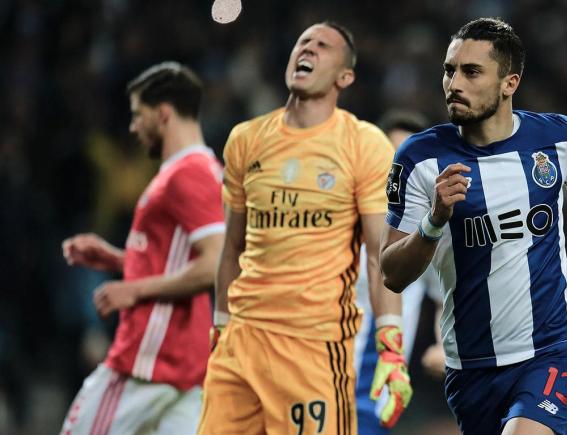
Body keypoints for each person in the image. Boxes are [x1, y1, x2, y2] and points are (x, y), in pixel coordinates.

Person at [379, 18, 567, 435]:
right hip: (471, 368)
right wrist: (433, 221)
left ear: (509, 83)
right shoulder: (419, 158)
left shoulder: (556, 137)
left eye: (471, 72)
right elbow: (392, 274)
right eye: (449, 70)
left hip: (555, 347)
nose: (454, 83)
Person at [198, 22, 412, 435]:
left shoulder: (363, 144)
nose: (308, 49)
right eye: (303, 42)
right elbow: (232, 248)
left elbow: (378, 256)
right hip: (240, 344)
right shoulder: (245, 139)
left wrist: (391, 345)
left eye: (323, 46)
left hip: (313, 348)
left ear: (344, 77)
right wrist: (221, 325)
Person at [60, 62, 225, 435]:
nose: (133, 127)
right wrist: (121, 259)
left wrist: (133, 289)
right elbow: (183, 259)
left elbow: (215, 264)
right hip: (184, 367)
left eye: (138, 115)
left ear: (163, 113)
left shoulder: (187, 174)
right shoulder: (202, 169)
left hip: (147, 360)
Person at [354, 110, 444, 435]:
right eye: (392, 156)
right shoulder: (345, 217)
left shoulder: (426, 230)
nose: (398, 168)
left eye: (409, 158)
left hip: (378, 379)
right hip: (322, 368)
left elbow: (444, 296)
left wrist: (443, 345)